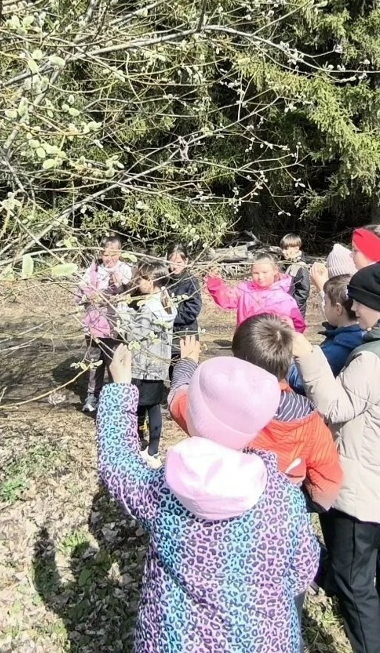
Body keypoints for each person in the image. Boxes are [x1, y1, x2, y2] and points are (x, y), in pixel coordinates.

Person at [97, 346, 319, 653]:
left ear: (194, 416)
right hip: (263, 642)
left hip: (175, 643)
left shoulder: (165, 491)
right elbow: (302, 570)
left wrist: (121, 390)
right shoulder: (285, 498)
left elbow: (119, 467)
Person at [291, 262, 380, 653]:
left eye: (357, 301)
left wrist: (306, 355)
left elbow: (336, 406)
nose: (353, 308)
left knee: (354, 580)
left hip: (360, 486)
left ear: (369, 304)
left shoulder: (374, 356)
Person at [169, 314, 342, 510]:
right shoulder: (306, 417)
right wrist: (302, 504)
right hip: (278, 513)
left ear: (237, 360)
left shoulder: (222, 406)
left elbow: (179, 403)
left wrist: (187, 363)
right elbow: (327, 483)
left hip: (222, 506)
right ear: (286, 361)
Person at [118, 258, 176, 467]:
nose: (138, 282)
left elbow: (134, 334)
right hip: (158, 366)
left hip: (143, 366)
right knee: (152, 407)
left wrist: (122, 311)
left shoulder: (149, 307)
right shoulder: (165, 301)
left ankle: (140, 446)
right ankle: (152, 449)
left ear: (152, 281)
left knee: (139, 407)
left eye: (142, 278)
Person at [76, 237, 132, 414]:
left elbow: (131, 294)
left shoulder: (125, 270)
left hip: (116, 326)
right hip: (94, 325)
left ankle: (117, 398)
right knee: (94, 362)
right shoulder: (93, 271)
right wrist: (89, 296)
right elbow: (79, 294)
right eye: (105, 254)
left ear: (120, 253)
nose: (109, 258)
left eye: (113, 254)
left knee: (114, 362)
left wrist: (120, 286)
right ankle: (93, 395)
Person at [287, 275, 364, 394]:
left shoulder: (338, 349)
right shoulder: (355, 334)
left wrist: (285, 359)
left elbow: (302, 382)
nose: (324, 306)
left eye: (326, 303)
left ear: (338, 309)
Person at [205, 252, 306, 333]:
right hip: (246, 342)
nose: (260, 277)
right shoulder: (244, 290)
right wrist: (215, 283)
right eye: (256, 273)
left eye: (265, 272)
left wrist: (287, 343)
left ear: (275, 271)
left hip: (273, 347)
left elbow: (298, 325)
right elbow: (226, 299)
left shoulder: (284, 299)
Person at [310, 223, 380, 295]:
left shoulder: (371, 286)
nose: (350, 255)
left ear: (372, 252)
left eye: (355, 250)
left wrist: (322, 287)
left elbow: (345, 321)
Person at [166, 244, 202, 382]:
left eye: (179, 263)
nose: (174, 266)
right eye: (171, 263)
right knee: (172, 367)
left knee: (186, 368)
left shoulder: (191, 282)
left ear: (186, 261)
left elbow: (192, 310)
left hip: (186, 334)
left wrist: (170, 317)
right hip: (170, 334)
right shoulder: (166, 281)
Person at [280, 233, 311, 316]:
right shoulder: (284, 264)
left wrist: (293, 308)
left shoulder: (300, 267)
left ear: (296, 248)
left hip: (294, 311)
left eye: (286, 248)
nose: (283, 251)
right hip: (282, 309)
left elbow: (303, 291)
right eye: (283, 248)